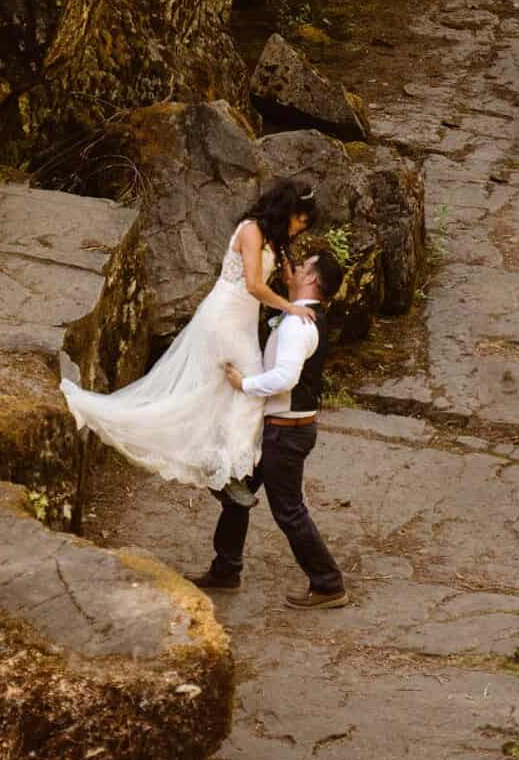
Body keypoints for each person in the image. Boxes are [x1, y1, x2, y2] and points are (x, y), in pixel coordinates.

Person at [60, 178, 319, 493]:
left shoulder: (272, 238)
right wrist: (290, 308)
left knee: (222, 390)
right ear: (287, 210)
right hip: (225, 316)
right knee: (249, 387)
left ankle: (223, 464)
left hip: (243, 319)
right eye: (299, 221)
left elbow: (262, 279)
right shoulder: (251, 230)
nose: (299, 229)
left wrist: (285, 276)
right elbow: (252, 284)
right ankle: (227, 470)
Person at [189, 247, 349, 610]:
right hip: (278, 429)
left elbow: (286, 377)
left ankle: (328, 583)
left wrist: (243, 384)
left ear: (311, 278)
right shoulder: (301, 317)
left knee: (288, 510)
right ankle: (226, 569)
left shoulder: (298, 323)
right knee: (237, 491)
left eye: (302, 264)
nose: (293, 266)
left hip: (286, 434)